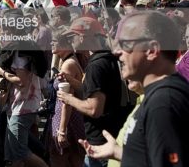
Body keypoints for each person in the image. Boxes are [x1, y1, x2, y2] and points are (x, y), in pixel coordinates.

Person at [79, 11, 189, 167]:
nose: (117, 52)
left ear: (151, 50)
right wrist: (119, 152)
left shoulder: (164, 103)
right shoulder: (158, 97)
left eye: (126, 45)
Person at [57, 17, 132, 167]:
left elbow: (94, 109)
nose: (71, 41)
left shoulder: (96, 66)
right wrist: (71, 80)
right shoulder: (108, 58)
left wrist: (68, 98)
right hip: (111, 137)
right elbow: (96, 92)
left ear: (82, 36)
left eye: (72, 37)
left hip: (100, 144)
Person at [48, 30, 85, 167]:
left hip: (66, 119)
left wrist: (62, 130)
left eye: (54, 41)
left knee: (60, 159)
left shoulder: (68, 65)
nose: (51, 44)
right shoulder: (68, 61)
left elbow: (67, 100)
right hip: (69, 117)